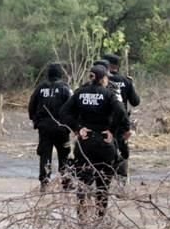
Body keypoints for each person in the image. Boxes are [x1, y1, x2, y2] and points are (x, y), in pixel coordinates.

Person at [60, 65, 128, 218]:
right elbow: (121, 112)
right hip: (104, 143)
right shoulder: (109, 94)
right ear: (103, 78)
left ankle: (81, 215)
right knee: (103, 184)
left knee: (83, 181)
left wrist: (78, 128)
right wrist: (112, 130)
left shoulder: (80, 93)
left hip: (85, 142)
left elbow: (63, 112)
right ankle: (100, 216)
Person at [27, 63, 73, 192]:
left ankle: (44, 182)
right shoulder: (65, 88)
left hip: (45, 128)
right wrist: (71, 125)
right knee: (64, 155)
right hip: (62, 128)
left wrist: (35, 121)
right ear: (60, 74)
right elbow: (72, 106)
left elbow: (32, 105)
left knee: (45, 155)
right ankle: (66, 182)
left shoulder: (40, 88)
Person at [103, 53, 140, 194]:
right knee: (122, 151)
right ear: (118, 66)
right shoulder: (126, 80)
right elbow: (135, 102)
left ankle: (103, 181)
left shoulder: (102, 80)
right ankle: (121, 185)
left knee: (105, 149)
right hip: (121, 122)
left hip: (104, 123)